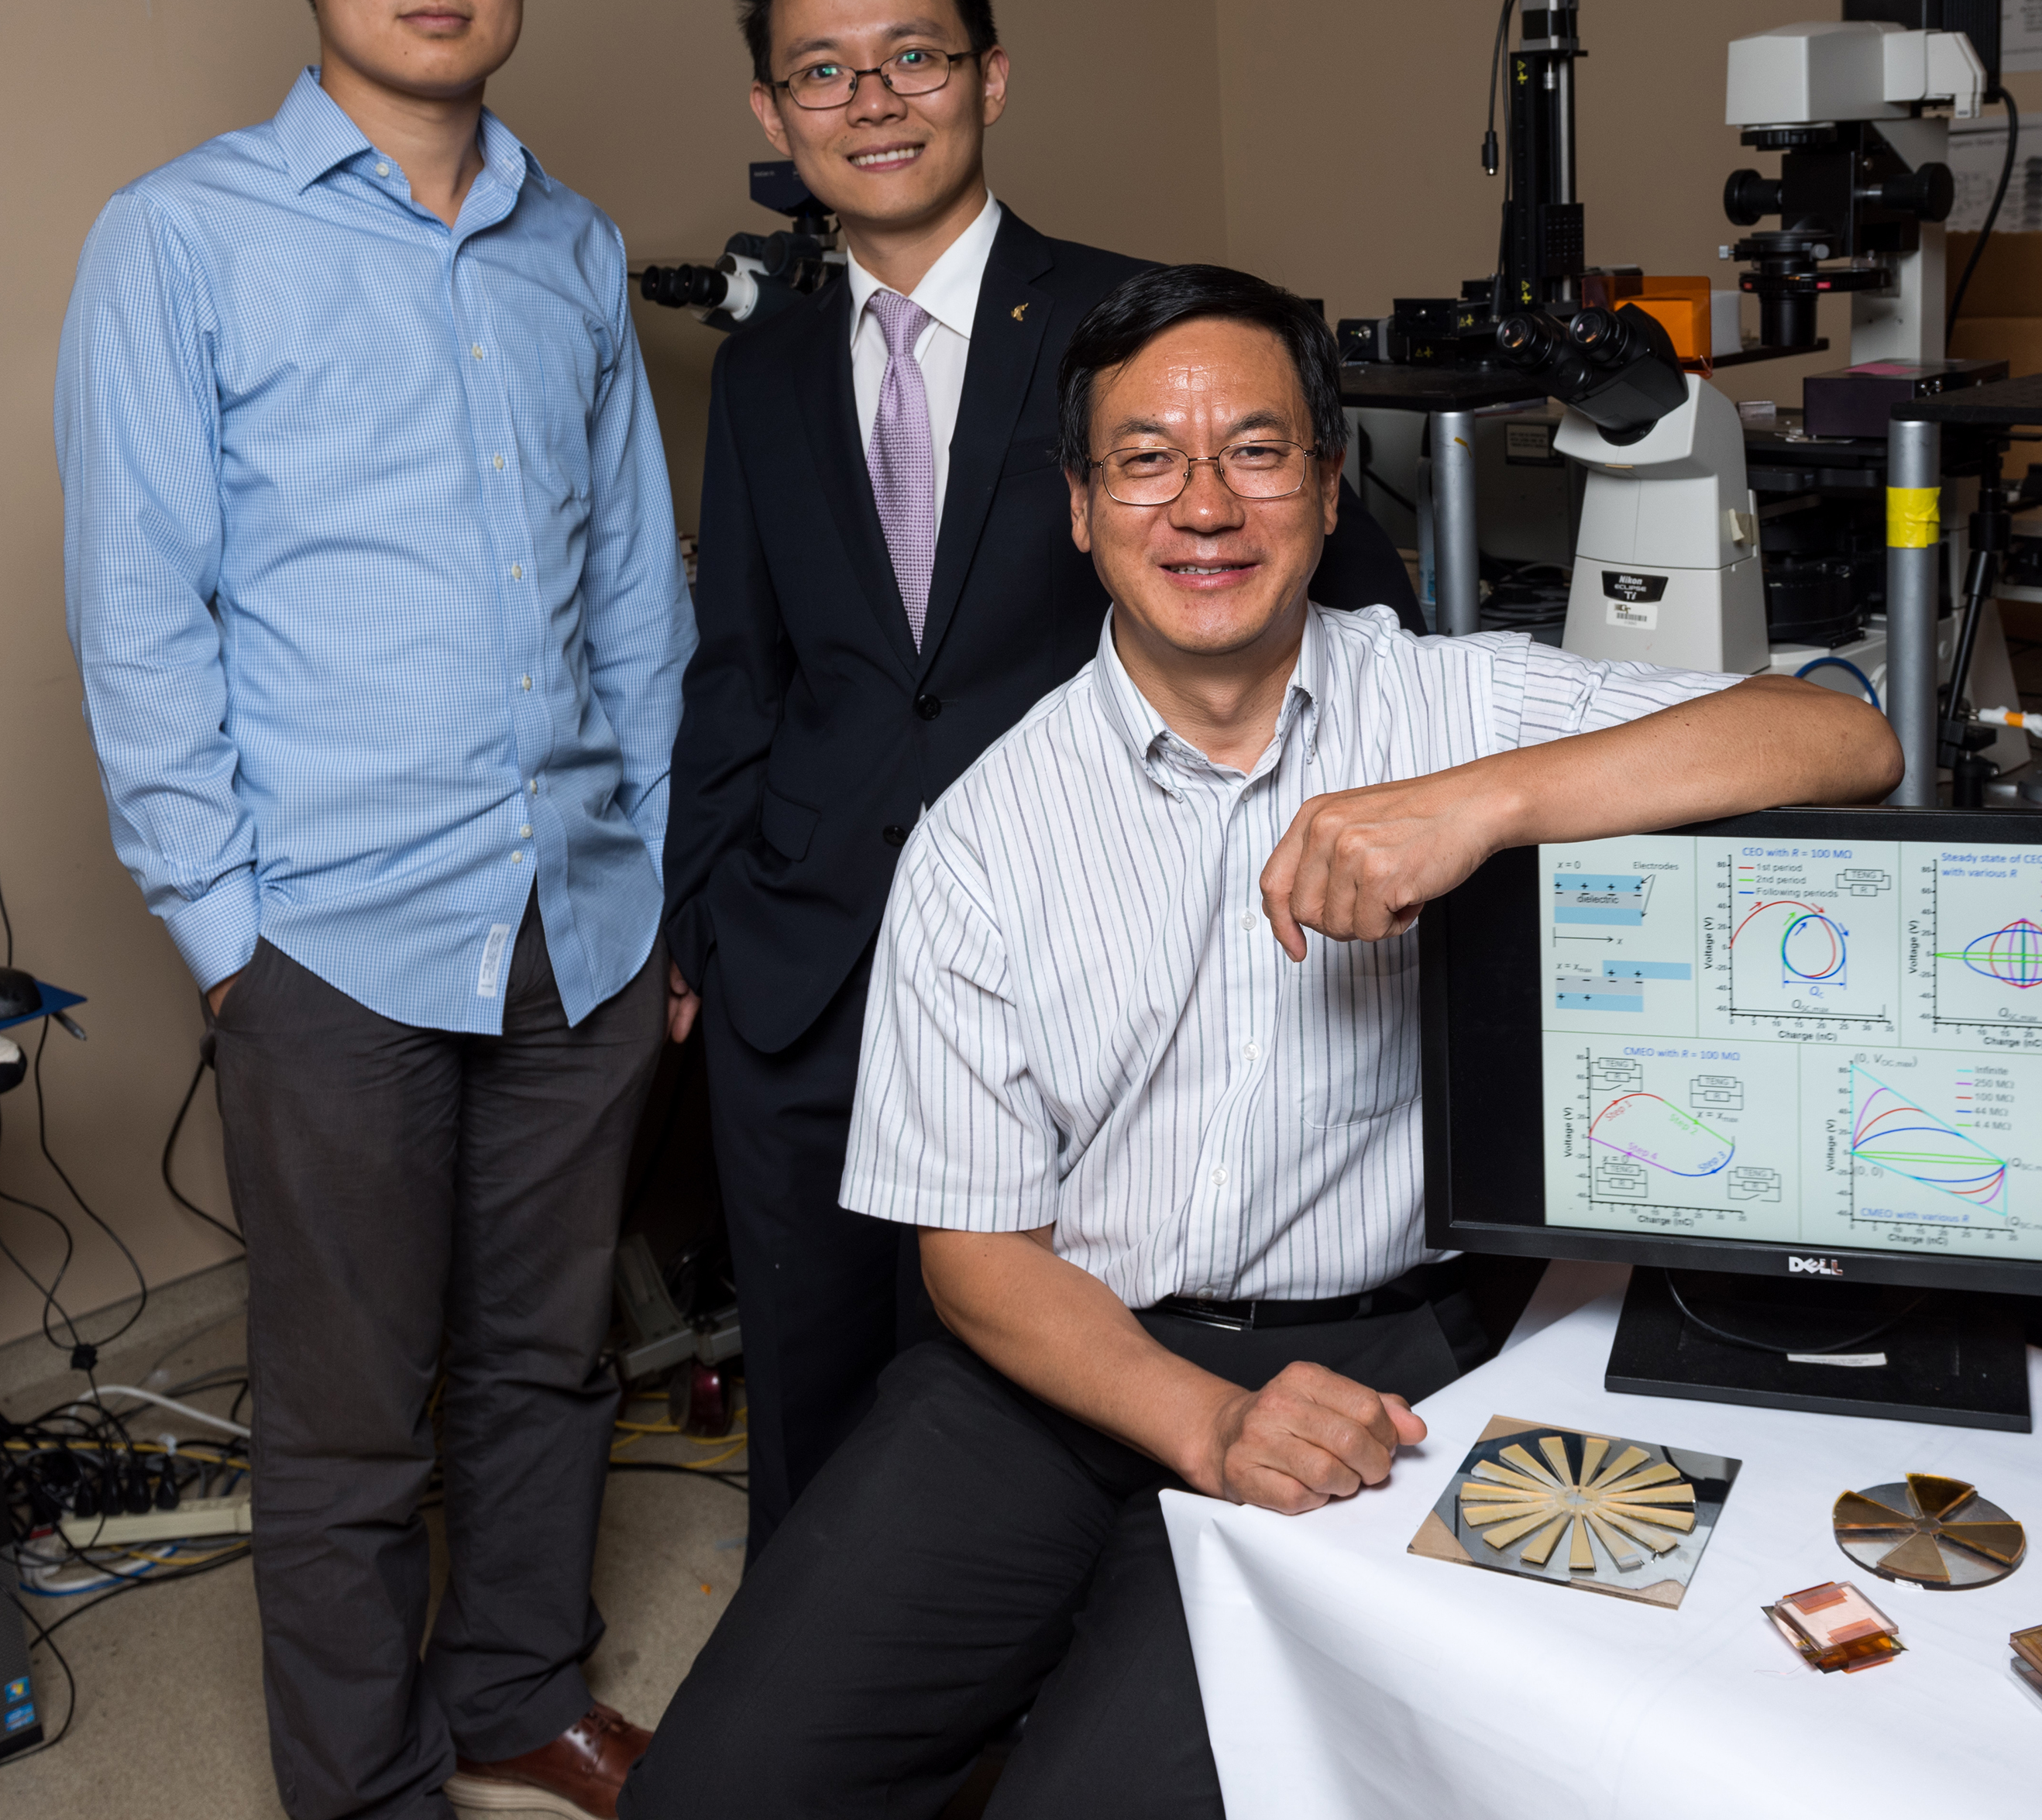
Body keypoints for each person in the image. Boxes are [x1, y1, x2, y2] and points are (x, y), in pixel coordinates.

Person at [623, 265, 1899, 1816]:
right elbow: (976, 1255)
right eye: (1147, 459)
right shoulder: (982, 834)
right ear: (1081, 510)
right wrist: (1207, 1422)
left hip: (1373, 1351)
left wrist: (1483, 801)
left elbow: (1845, 732)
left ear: (1324, 479)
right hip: (1050, 1355)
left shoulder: (1451, 703)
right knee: (715, 1788)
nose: (1204, 503)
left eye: (1255, 448)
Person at [53, 0, 691, 1820]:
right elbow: (141, 613)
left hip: (580, 916)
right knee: (345, 1417)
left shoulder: (571, 249)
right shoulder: (180, 239)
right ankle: (360, 1785)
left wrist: (654, 887)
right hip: (326, 929)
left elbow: (636, 603)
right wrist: (224, 937)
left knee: (552, 1355)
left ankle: (515, 1686)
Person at [658, 0, 1420, 1559]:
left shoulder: (1128, 320)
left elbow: (1346, 594)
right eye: (824, 72)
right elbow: (744, 666)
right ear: (773, 114)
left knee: (1016, 1398)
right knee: (812, 1386)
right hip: (806, 963)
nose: (873, 100)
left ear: (989, 78)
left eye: (912, 56)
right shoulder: (770, 365)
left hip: (1060, 956)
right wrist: (698, 921)